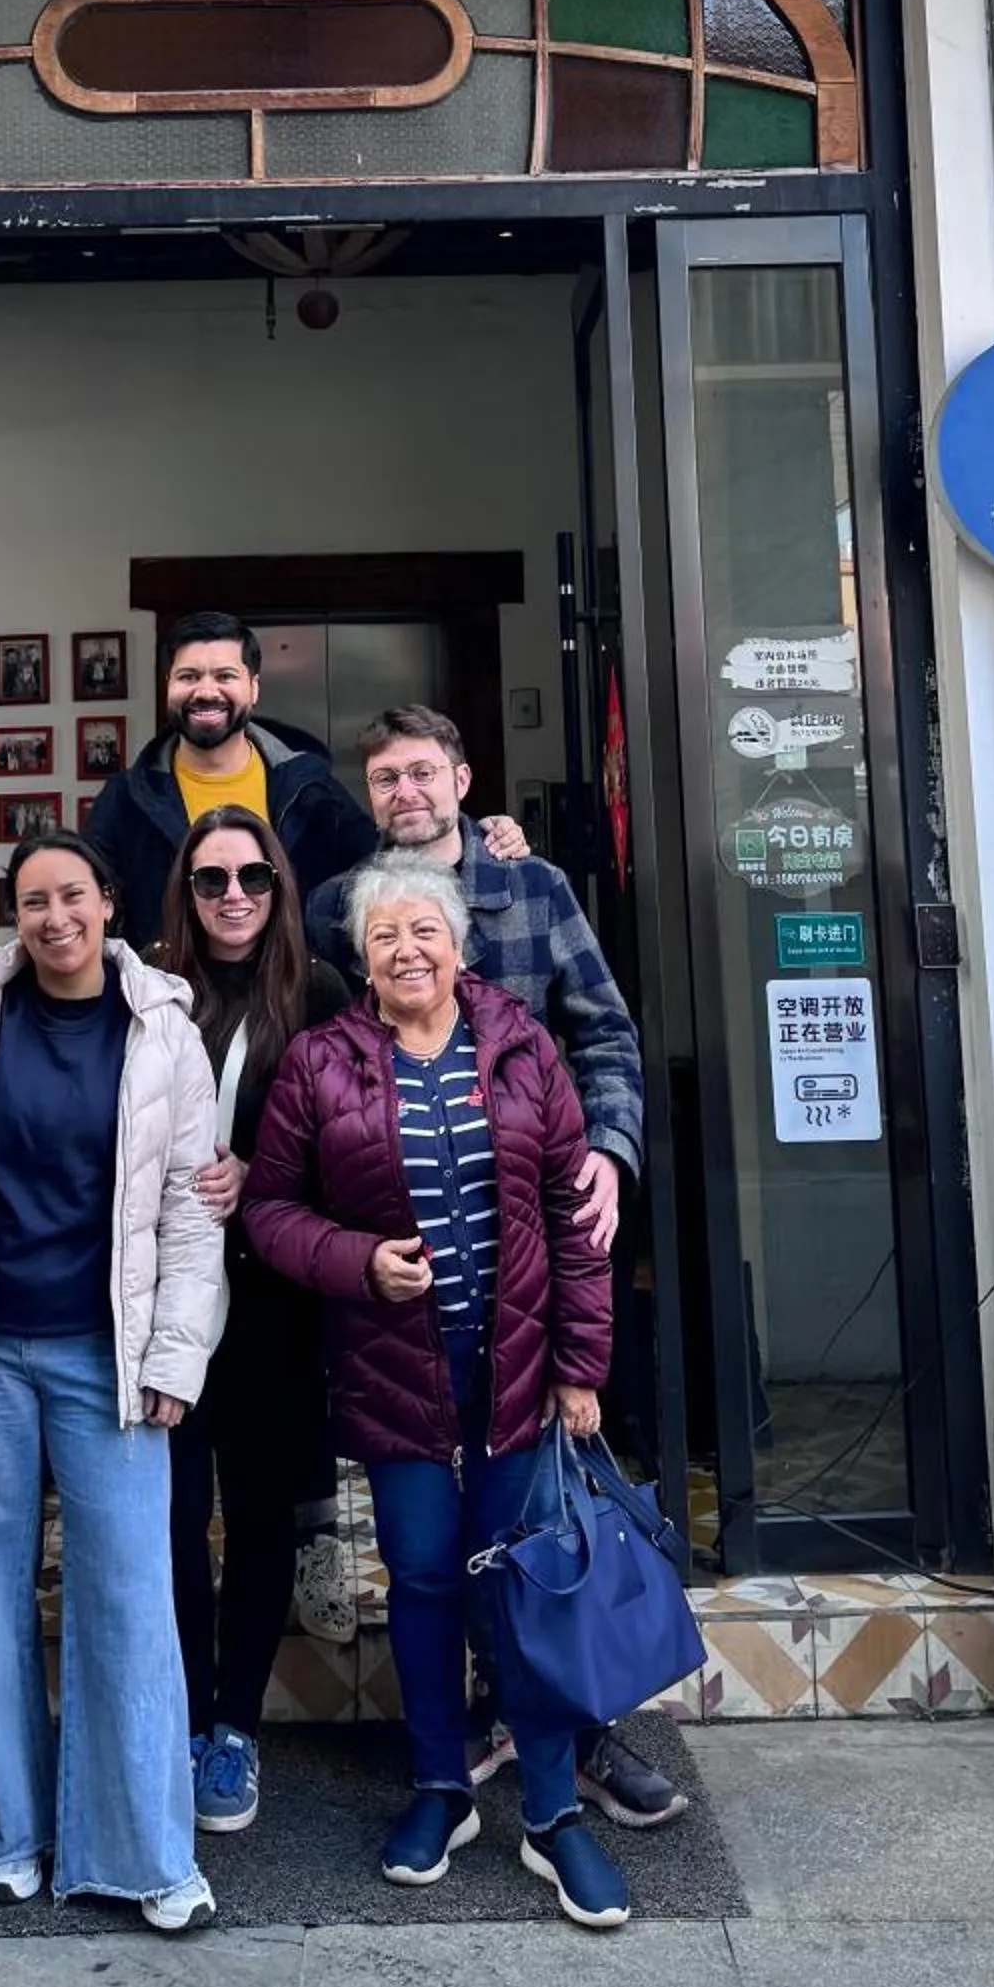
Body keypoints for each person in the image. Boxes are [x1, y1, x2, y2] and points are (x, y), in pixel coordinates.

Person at [307, 704, 683, 1829]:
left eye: (423, 771)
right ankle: (473, 1727)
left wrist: (609, 1151)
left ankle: (578, 1730)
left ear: (463, 779)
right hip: (408, 1282)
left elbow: (605, 1033)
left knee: (541, 1526)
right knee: (434, 1540)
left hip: (534, 1235)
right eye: (386, 777)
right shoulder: (338, 907)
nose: (405, 792)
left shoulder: (535, 888)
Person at [244, 859, 630, 1931]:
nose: (406, 950)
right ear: (361, 960)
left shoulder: (521, 1045)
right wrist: (359, 1261)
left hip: (516, 1367)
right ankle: (441, 1787)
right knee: (419, 1577)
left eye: (425, 931)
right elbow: (270, 1211)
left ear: (460, 946)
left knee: (528, 1585)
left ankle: (552, 1812)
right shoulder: (321, 1061)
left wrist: (581, 1366)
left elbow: (571, 1214)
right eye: (384, 937)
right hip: (391, 1367)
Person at [0, 828, 224, 1928]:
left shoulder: (164, 1030)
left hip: (113, 1355)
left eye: (73, 896)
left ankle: (144, 1857)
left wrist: (177, 1354)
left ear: (108, 903)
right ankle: (0, 1836)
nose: (55, 918)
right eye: (33, 901)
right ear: (15, 915)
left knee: (130, 1597)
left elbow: (191, 1207)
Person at [155, 807, 352, 1834]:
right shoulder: (150, 988)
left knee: (263, 1511)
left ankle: (235, 1727)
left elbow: (358, 1137)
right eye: (210, 879)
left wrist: (268, 1175)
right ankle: (186, 1718)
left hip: (276, 1298)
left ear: (279, 886)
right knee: (178, 1514)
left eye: (252, 878)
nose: (233, 896)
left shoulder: (319, 993)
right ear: (184, 894)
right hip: (171, 1298)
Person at [84, 611, 533, 958]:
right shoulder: (127, 798)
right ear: (168, 686)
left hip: (292, 1008)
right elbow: (87, 900)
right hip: (170, 1013)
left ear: (253, 688)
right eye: (189, 676)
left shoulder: (309, 787)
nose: (206, 691)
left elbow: (391, 857)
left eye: (224, 676)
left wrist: (477, 833)